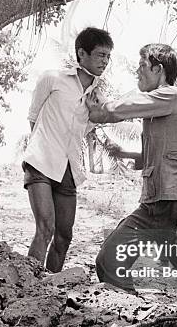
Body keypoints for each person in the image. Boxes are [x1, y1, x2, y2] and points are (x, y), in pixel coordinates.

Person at [87, 44, 177, 327]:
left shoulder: (172, 95)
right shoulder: (158, 108)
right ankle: (133, 321)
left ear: (158, 69)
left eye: (142, 66)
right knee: (109, 261)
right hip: (152, 208)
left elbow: (122, 108)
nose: (138, 72)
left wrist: (100, 110)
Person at [23, 27, 114, 272]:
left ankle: (51, 289)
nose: (104, 62)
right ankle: (29, 288)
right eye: (100, 55)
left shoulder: (98, 96)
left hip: (69, 170)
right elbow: (33, 118)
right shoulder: (52, 78)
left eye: (108, 57)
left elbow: (83, 130)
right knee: (46, 228)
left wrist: (95, 111)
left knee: (64, 236)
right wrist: (45, 144)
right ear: (81, 53)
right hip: (41, 161)